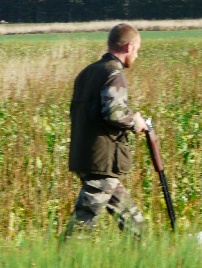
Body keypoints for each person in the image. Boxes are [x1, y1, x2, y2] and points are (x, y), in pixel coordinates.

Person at [65, 23, 147, 239]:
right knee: (82, 226)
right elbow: (114, 112)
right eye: (137, 50)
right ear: (129, 46)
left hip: (87, 156)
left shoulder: (88, 72)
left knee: (134, 223)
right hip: (102, 161)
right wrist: (135, 122)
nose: (136, 56)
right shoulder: (113, 73)